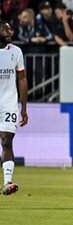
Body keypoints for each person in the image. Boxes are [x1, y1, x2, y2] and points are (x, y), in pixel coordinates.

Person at [0, 21, 28, 195]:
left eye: (10, 28)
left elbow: (22, 79)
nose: (10, 31)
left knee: (6, 141)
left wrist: (23, 108)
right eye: (5, 29)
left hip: (9, 102)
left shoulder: (16, 52)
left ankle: (7, 183)